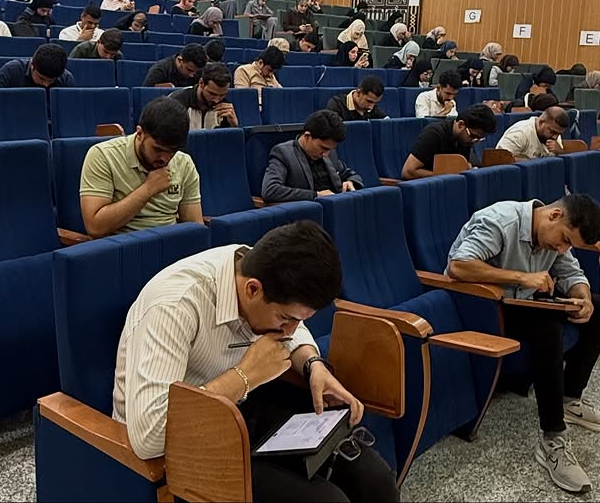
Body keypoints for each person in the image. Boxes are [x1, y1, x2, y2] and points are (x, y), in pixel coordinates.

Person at [112, 220, 397, 499]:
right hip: (181, 445)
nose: (289, 331)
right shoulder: (174, 305)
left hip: (238, 410)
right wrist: (244, 376)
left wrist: (313, 365)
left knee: (374, 480)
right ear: (252, 290)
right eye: (285, 319)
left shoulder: (257, 268)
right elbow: (150, 437)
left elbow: (292, 328)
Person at [445, 194, 600, 493]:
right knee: (547, 328)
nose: (562, 249)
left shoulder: (555, 237)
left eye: (569, 245)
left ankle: (569, 399)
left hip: (521, 302)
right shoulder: (500, 221)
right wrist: (522, 278)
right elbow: (458, 266)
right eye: (564, 240)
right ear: (555, 215)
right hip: (484, 308)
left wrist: (583, 299)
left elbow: (571, 273)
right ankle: (553, 437)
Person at [80, 96, 202, 236]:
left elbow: (195, 227)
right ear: (139, 133)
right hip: (123, 244)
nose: (165, 159)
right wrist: (148, 189)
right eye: (158, 149)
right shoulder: (103, 156)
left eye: (173, 151)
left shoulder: (184, 162)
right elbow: (95, 227)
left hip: (170, 242)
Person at [262, 110, 362, 203]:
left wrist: (351, 182)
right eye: (323, 148)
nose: (326, 154)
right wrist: (316, 195)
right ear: (307, 136)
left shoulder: (330, 152)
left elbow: (351, 174)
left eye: (330, 149)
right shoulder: (283, 153)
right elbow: (270, 190)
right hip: (308, 211)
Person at [402, 105, 497, 180]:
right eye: (472, 136)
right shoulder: (434, 134)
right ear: (460, 124)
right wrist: (446, 176)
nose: (473, 141)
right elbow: (408, 171)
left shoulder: (464, 140)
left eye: (479, 139)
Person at [168, 62, 239, 131]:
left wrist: (233, 125)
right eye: (212, 94)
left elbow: (226, 138)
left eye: (222, 95)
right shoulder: (177, 102)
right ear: (201, 83)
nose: (217, 100)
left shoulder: (225, 107)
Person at [0, 43, 75, 88]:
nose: (46, 84)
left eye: (51, 81)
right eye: (41, 78)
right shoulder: (12, 70)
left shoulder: (66, 78)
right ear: (32, 65)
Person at [497, 107, 568, 159]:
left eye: (559, 134)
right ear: (541, 122)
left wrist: (560, 152)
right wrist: (531, 163)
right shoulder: (520, 132)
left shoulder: (554, 134)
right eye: (552, 132)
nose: (555, 137)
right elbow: (501, 159)